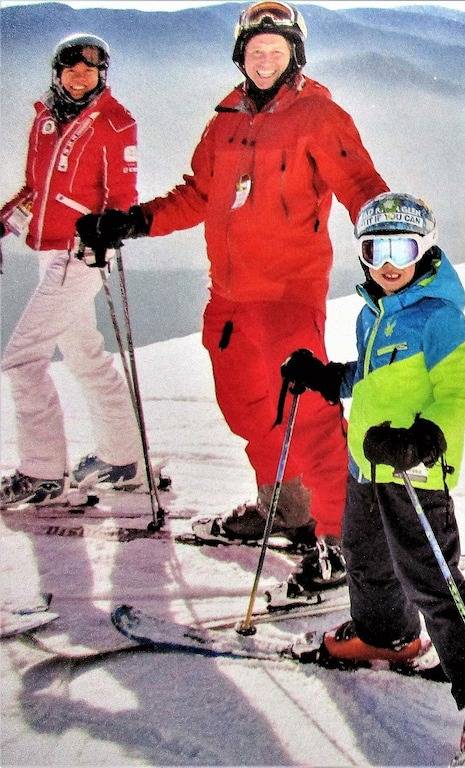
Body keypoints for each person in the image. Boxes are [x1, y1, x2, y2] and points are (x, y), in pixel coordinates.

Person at [76, 1, 389, 590]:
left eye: (277, 50)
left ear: (295, 54)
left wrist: (393, 244)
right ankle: (284, 511)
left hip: (290, 295)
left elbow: (361, 185)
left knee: (310, 415)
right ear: (241, 55)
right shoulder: (226, 117)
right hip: (230, 298)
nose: (265, 59)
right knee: (250, 410)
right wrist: (133, 221)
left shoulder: (319, 115)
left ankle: (342, 539)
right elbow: (199, 193)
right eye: (255, 50)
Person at [280, 192, 465, 759]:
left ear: (425, 250)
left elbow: (462, 392)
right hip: (366, 465)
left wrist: (426, 437)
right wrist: (328, 377)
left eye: (402, 248)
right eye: (375, 249)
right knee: (366, 555)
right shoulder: (374, 311)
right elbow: (371, 379)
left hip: (415, 475)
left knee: (434, 582)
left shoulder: (439, 316)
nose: (389, 262)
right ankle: (386, 637)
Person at [0, 33, 143, 508]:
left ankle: (41, 472)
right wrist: (2, 225)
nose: (81, 76)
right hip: (48, 250)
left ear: (104, 74)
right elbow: (34, 188)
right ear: (58, 72)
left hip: (81, 253)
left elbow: (123, 197)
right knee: (83, 354)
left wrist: (108, 229)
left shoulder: (115, 123)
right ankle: (123, 458)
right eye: (72, 68)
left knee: (22, 357)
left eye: (91, 69)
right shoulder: (44, 118)